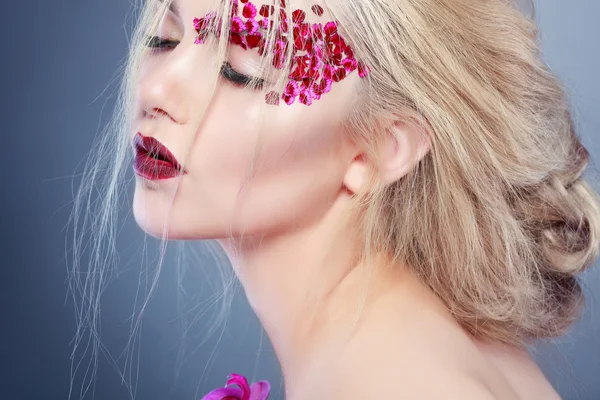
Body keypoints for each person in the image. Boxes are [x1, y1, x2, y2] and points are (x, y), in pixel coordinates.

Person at [70, 0, 600, 398]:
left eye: (240, 71)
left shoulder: (386, 382)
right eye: (164, 38)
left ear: (378, 149)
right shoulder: (412, 344)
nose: (157, 90)